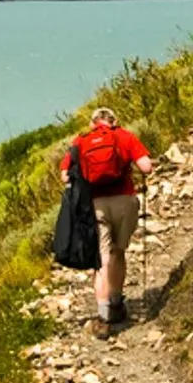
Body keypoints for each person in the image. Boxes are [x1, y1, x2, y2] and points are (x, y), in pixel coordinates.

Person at [59, 107, 154, 337]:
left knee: (101, 259)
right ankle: (116, 301)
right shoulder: (125, 136)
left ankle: (103, 316)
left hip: (95, 205)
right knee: (118, 252)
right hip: (125, 201)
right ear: (114, 120)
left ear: (92, 123)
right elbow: (146, 167)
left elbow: (65, 176)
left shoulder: (80, 141)